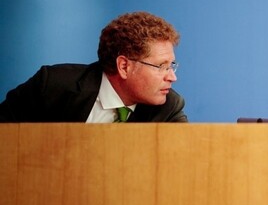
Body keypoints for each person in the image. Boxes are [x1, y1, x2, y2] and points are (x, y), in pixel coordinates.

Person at [0, 11, 188, 122]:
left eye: (171, 65)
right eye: (161, 66)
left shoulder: (168, 107)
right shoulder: (52, 86)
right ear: (124, 66)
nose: (172, 77)